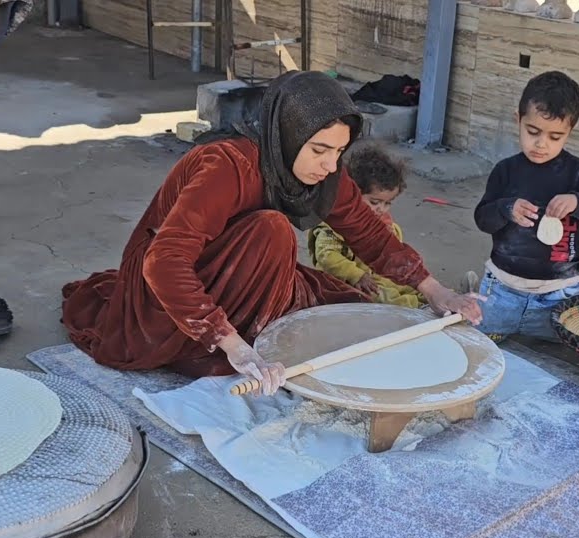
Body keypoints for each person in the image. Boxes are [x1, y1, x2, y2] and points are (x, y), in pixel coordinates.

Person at [59, 71, 482, 396]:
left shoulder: (326, 174)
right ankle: (236, 334)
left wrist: (436, 291)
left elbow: (368, 232)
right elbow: (164, 263)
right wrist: (230, 343)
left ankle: (253, 321)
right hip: (165, 289)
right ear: (287, 135)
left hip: (233, 266)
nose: (330, 165)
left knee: (343, 308)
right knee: (273, 231)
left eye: (339, 151)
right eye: (319, 150)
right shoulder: (226, 166)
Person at [470, 70, 579, 342]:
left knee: (578, 347)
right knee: (472, 335)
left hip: (559, 294)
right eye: (533, 132)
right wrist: (506, 208)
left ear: (570, 132)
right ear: (518, 120)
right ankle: (476, 294)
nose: (541, 144)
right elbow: (482, 219)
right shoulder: (506, 171)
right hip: (503, 289)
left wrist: (578, 202)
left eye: (555, 137)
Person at [307, 142, 423, 308]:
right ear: (353, 194)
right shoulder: (332, 227)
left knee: (409, 285)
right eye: (374, 202)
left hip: (376, 277)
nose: (381, 209)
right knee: (381, 298)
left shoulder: (385, 223)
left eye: (387, 203)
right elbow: (327, 257)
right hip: (348, 281)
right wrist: (356, 275)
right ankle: (416, 307)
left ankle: (438, 299)